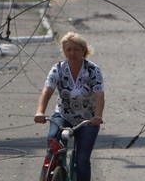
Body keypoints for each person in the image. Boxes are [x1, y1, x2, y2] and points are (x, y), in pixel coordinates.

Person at [35, 32, 105, 181]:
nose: (72, 53)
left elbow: (99, 95)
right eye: (68, 49)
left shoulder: (93, 70)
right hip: (63, 115)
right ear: (64, 51)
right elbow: (47, 92)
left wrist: (98, 116)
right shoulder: (58, 69)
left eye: (76, 49)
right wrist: (40, 112)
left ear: (83, 51)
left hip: (87, 119)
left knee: (82, 160)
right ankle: (51, 174)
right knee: (53, 142)